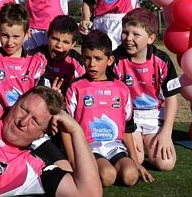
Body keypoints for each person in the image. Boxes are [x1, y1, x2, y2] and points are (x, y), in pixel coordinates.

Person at [63, 30, 153, 187]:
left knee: (131, 177)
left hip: (115, 147)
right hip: (88, 147)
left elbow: (127, 127)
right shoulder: (76, 87)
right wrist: (73, 161)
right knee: (108, 176)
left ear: (110, 60)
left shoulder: (121, 88)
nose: (92, 64)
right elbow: (65, 128)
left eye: (98, 59)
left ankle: (113, 167)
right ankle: (97, 168)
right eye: (87, 58)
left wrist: (135, 161)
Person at [113, 8, 181, 171]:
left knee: (166, 164)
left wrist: (166, 133)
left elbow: (171, 98)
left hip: (154, 117)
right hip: (128, 118)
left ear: (150, 38)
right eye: (125, 33)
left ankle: (150, 143)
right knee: (137, 159)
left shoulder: (162, 60)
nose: (128, 39)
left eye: (135, 34)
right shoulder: (115, 59)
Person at [0, 3, 47, 108]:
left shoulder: (37, 62)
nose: (10, 42)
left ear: (27, 34)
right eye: (5, 36)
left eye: (16, 36)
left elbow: (41, 98)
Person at [33, 15, 86, 96]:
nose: (59, 45)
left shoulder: (78, 61)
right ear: (48, 36)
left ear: (73, 44)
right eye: (55, 39)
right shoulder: (35, 57)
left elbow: (85, 89)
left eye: (66, 42)